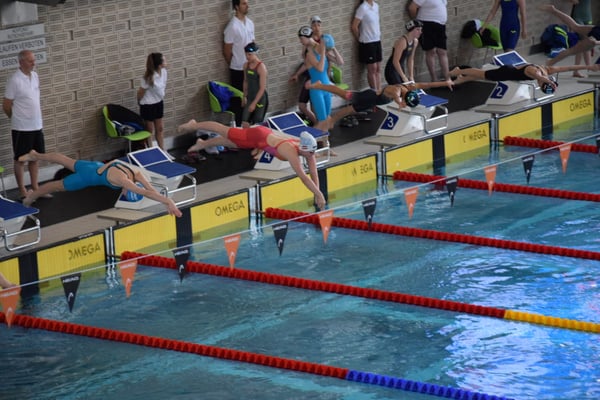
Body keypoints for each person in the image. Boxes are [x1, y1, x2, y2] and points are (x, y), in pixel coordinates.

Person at [178, 120, 326, 209]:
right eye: (310, 153)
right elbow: (303, 177)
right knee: (225, 130)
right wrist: (319, 195)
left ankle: (203, 143)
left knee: (234, 143)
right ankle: (194, 125)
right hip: (258, 136)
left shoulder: (308, 151)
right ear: (303, 149)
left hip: (263, 138)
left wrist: (317, 194)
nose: (312, 155)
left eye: (313, 152)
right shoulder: (290, 151)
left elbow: (313, 172)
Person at [17, 150, 182, 217]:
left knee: (64, 160)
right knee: (57, 186)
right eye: (127, 192)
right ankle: (31, 197)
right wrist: (168, 200)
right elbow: (145, 192)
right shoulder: (124, 181)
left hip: (93, 166)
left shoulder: (136, 173)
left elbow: (151, 190)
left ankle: (35, 155)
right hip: (86, 177)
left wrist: (166, 201)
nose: (125, 194)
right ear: (129, 187)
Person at [306, 79, 454, 132]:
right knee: (344, 94)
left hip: (371, 102)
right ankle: (320, 85)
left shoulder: (411, 87)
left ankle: (331, 121)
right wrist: (399, 102)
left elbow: (427, 84)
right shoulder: (396, 90)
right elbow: (396, 95)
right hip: (368, 96)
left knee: (349, 110)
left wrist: (445, 82)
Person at [3, 50, 47, 200]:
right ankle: (23, 191)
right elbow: (6, 105)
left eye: (34, 60)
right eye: (30, 61)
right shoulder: (14, 80)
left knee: (35, 158)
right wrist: (15, 118)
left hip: (37, 125)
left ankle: (35, 188)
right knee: (20, 159)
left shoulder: (35, 76)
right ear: (21, 62)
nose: (34, 63)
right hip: (21, 127)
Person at [449, 63, 599, 90]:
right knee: (480, 73)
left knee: (484, 77)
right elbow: (539, 77)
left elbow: (568, 67)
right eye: (541, 85)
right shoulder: (537, 73)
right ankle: (458, 71)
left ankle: (463, 78)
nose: (539, 85)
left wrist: (588, 67)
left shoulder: (547, 70)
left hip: (508, 71)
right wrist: (547, 81)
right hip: (506, 72)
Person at [298, 26, 332, 125]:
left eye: (301, 39)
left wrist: (332, 49)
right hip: (317, 89)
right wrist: (323, 52)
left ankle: (322, 135)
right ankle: (318, 134)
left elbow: (339, 62)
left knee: (327, 119)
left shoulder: (319, 47)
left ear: (308, 37)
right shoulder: (309, 53)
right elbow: (320, 68)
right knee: (322, 120)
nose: (300, 41)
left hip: (326, 86)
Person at [408, 0, 450, 82]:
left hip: (440, 26)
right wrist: (416, 22)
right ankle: (434, 79)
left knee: (442, 52)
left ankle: (448, 79)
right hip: (427, 25)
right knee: (431, 51)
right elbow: (412, 8)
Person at [137, 52, 167, 149]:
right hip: (147, 105)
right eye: (164, 60)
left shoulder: (164, 72)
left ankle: (162, 150)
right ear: (159, 64)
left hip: (158, 103)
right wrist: (139, 102)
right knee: (149, 130)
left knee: (160, 128)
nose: (166, 62)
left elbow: (162, 87)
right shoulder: (148, 77)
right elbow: (140, 92)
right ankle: (150, 149)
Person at [223, 0, 255, 91]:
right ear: (237, 7)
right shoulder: (232, 26)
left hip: (251, 66)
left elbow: (253, 44)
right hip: (238, 69)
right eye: (244, 4)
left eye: (247, 3)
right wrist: (234, 62)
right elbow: (227, 50)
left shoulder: (250, 23)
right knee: (239, 96)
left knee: (252, 94)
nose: (247, 6)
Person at [351, 0, 382, 91]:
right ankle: (374, 92)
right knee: (372, 68)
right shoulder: (362, 8)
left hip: (377, 40)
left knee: (378, 68)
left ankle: (379, 91)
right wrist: (360, 38)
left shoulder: (376, 6)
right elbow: (354, 26)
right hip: (367, 42)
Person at [384, 19, 423, 85]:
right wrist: (403, 77)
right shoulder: (402, 42)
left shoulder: (415, 41)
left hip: (400, 67)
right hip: (392, 69)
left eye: (421, 30)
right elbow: (395, 61)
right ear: (411, 30)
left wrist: (411, 76)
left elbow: (411, 59)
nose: (420, 32)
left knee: (405, 88)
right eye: (418, 29)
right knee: (399, 88)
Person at [241, 42, 268, 127]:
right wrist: (244, 96)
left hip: (260, 99)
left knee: (257, 122)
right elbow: (245, 81)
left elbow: (262, 88)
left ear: (255, 54)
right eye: (246, 54)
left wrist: (254, 103)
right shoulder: (246, 65)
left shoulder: (261, 67)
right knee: (244, 120)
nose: (247, 57)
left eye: (249, 54)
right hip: (250, 96)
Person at [570, 0, 593, 77]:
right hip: (578, 17)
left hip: (588, 16)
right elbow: (574, 1)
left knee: (581, 44)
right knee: (586, 42)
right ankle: (590, 69)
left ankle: (576, 71)